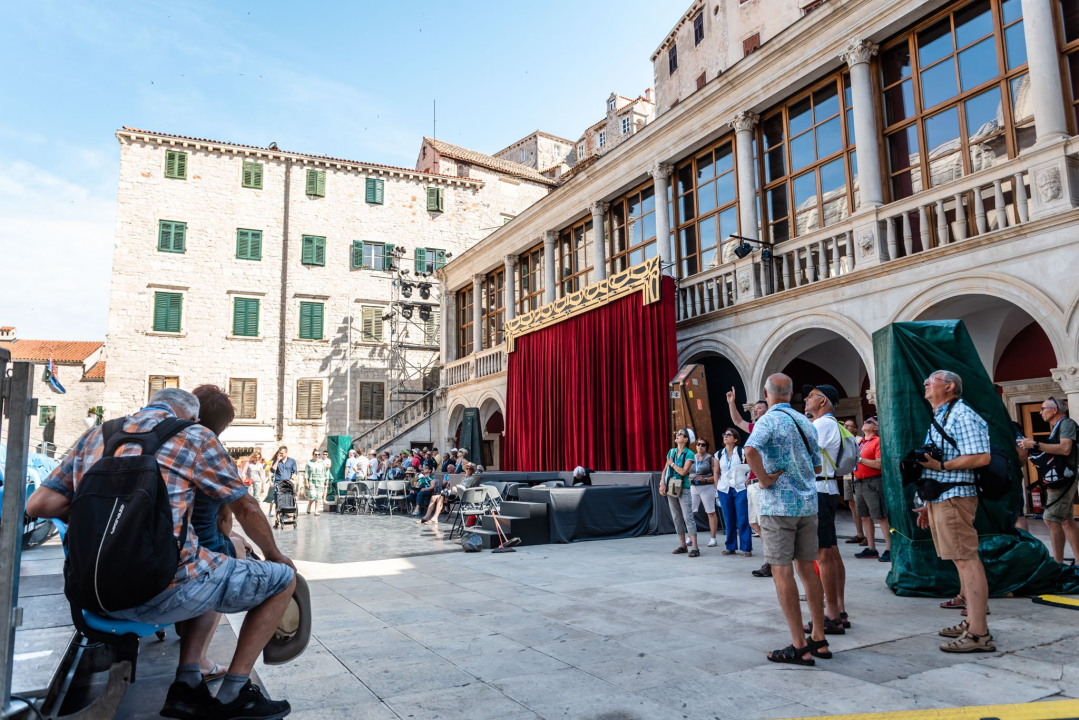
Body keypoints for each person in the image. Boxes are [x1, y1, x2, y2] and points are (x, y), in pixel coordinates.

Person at [26, 388, 296, 719]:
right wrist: (275, 554)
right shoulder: (195, 436)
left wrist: (104, 511)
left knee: (212, 561)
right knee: (281, 579)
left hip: (91, 596)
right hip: (160, 592)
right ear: (193, 418)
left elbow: (38, 505)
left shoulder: (98, 434)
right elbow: (245, 506)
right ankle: (234, 693)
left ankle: (189, 683)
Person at [743, 374, 829, 665]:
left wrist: (764, 479)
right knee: (808, 570)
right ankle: (819, 637)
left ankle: (799, 645)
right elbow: (817, 466)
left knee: (782, 573)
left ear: (767, 393)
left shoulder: (767, 420)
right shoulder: (806, 421)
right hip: (807, 504)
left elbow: (750, 449)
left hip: (779, 506)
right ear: (791, 394)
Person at [913, 370, 995, 652]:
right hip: (941, 497)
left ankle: (979, 634)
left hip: (956, 496)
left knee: (966, 559)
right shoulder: (943, 416)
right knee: (960, 560)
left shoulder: (962, 414)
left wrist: (942, 467)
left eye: (932, 380)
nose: (926, 383)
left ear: (949, 387)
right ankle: (972, 621)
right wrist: (927, 502)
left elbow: (982, 456)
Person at [802, 384, 849, 634]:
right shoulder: (833, 424)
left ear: (823, 401)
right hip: (828, 490)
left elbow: (804, 456)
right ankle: (839, 609)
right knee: (831, 551)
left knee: (823, 554)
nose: (807, 398)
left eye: (811, 395)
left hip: (819, 491)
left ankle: (830, 614)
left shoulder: (821, 424)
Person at [1019, 397, 1078, 565]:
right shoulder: (1058, 427)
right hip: (1063, 477)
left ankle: (1057, 564)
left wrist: (1035, 445)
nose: (1040, 412)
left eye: (1043, 408)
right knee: (1066, 520)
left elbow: (1065, 449)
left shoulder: (1066, 424)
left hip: (1064, 478)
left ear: (1054, 410)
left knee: (1051, 519)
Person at [728, 388, 772, 577]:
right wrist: (731, 403)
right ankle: (771, 556)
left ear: (768, 410)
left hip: (761, 482)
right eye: (754, 408)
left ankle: (771, 560)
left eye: (760, 407)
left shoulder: (769, 426)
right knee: (755, 523)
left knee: (764, 522)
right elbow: (738, 421)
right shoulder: (755, 428)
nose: (755, 410)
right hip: (752, 482)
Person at [853, 417, 890, 561]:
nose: (864, 423)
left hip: (873, 483)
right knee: (864, 516)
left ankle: (889, 548)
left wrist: (860, 459)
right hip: (860, 482)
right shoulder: (860, 442)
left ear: (876, 428)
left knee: (880, 516)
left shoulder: (877, 442)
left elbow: (879, 464)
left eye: (868, 422)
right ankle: (871, 547)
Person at [660, 428, 699, 557]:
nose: (676, 435)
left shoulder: (689, 453)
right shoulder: (671, 452)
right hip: (671, 486)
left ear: (686, 439)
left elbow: (683, 472)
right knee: (676, 517)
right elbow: (665, 469)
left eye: (680, 434)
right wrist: (662, 483)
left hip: (683, 487)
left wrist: (672, 464)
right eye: (676, 433)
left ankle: (695, 547)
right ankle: (682, 545)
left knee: (688, 516)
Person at [716, 429, 751, 556]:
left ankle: (746, 548)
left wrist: (747, 481)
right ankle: (730, 546)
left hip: (740, 488)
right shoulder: (719, 454)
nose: (725, 436)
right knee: (728, 519)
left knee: (742, 518)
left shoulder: (742, 452)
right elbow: (716, 472)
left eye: (728, 434)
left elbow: (750, 467)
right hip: (724, 489)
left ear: (735, 439)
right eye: (724, 434)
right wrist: (717, 487)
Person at [842, 419, 867, 546]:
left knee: (860, 504)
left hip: (857, 476)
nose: (845, 427)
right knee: (852, 504)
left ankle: (867, 534)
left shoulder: (859, 440)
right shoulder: (842, 440)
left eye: (848, 425)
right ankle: (859, 533)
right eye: (844, 425)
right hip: (847, 476)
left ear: (855, 429)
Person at [269, 446, 297, 517]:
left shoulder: (292, 461)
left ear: (286, 453)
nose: (280, 454)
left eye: (282, 453)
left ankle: (288, 513)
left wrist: (292, 479)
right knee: (277, 500)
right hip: (278, 483)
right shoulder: (276, 460)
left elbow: (295, 472)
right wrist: (277, 461)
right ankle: (278, 517)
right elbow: (272, 470)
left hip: (288, 483)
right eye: (279, 453)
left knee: (289, 498)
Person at [304, 450, 327, 515]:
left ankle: (316, 511)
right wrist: (306, 482)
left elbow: (324, 472)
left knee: (319, 497)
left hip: (320, 482)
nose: (317, 456)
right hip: (312, 482)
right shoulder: (309, 463)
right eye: (315, 454)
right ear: (313, 455)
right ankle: (309, 505)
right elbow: (306, 473)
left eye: (318, 454)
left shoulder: (322, 463)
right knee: (313, 496)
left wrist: (326, 480)